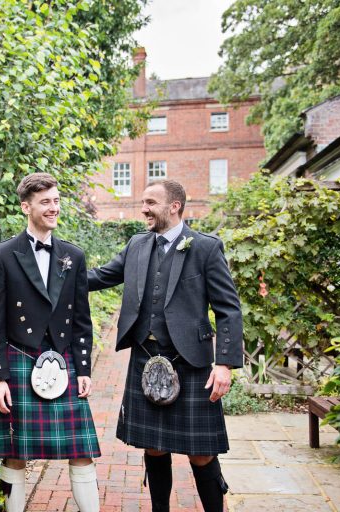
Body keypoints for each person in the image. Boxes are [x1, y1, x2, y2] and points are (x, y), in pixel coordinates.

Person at [87, 179, 243, 512]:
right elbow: (101, 276)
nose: (143, 208)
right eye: (143, 202)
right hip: (146, 357)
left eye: (150, 203)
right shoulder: (137, 245)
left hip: (191, 362)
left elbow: (228, 309)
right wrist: (55, 273)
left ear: (174, 206)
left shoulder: (204, 247)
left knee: (201, 452)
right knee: (154, 447)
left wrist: (225, 364)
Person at [0, 172, 100, 512]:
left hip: (63, 361)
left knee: (81, 451)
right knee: (14, 453)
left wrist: (84, 367)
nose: (53, 208)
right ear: (26, 206)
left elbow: (81, 319)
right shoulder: (4, 255)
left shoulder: (72, 256)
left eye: (56, 201)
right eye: (45, 202)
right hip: (20, 359)